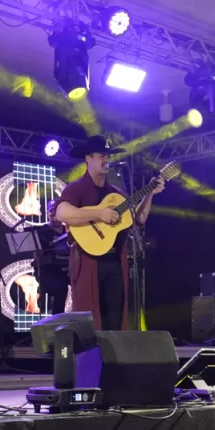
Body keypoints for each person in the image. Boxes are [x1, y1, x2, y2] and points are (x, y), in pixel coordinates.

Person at [55, 136, 164, 330]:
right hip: (88, 260)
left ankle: (114, 349)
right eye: (101, 156)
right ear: (88, 158)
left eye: (108, 156)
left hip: (114, 261)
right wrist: (99, 214)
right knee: (90, 317)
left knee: (115, 316)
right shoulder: (76, 188)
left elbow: (138, 219)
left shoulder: (115, 193)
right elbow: (62, 213)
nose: (106, 160)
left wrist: (149, 194)